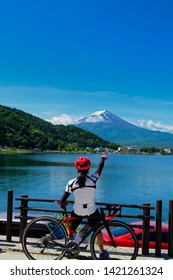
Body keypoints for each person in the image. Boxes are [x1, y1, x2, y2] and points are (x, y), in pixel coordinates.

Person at [59, 154, 109, 259]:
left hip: (77, 211)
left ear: (76, 167)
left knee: (72, 230)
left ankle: (71, 248)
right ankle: (102, 251)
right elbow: (100, 168)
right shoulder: (93, 179)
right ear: (89, 167)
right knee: (98, 231)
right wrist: (103, 158)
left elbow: (62, 200)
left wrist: (63, 203)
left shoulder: (71, 183)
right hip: (92, 211)